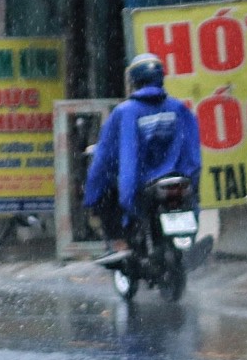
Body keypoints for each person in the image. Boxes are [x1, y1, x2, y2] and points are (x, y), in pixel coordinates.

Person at [83, 53, 201, 247]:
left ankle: (120, 244)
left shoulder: (125, 111)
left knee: (106, 198)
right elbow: (192, 151)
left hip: (140, 185)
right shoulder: (178, 108)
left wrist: (92, 195)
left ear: (134, 80)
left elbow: (105, 156)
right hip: (178, 180)